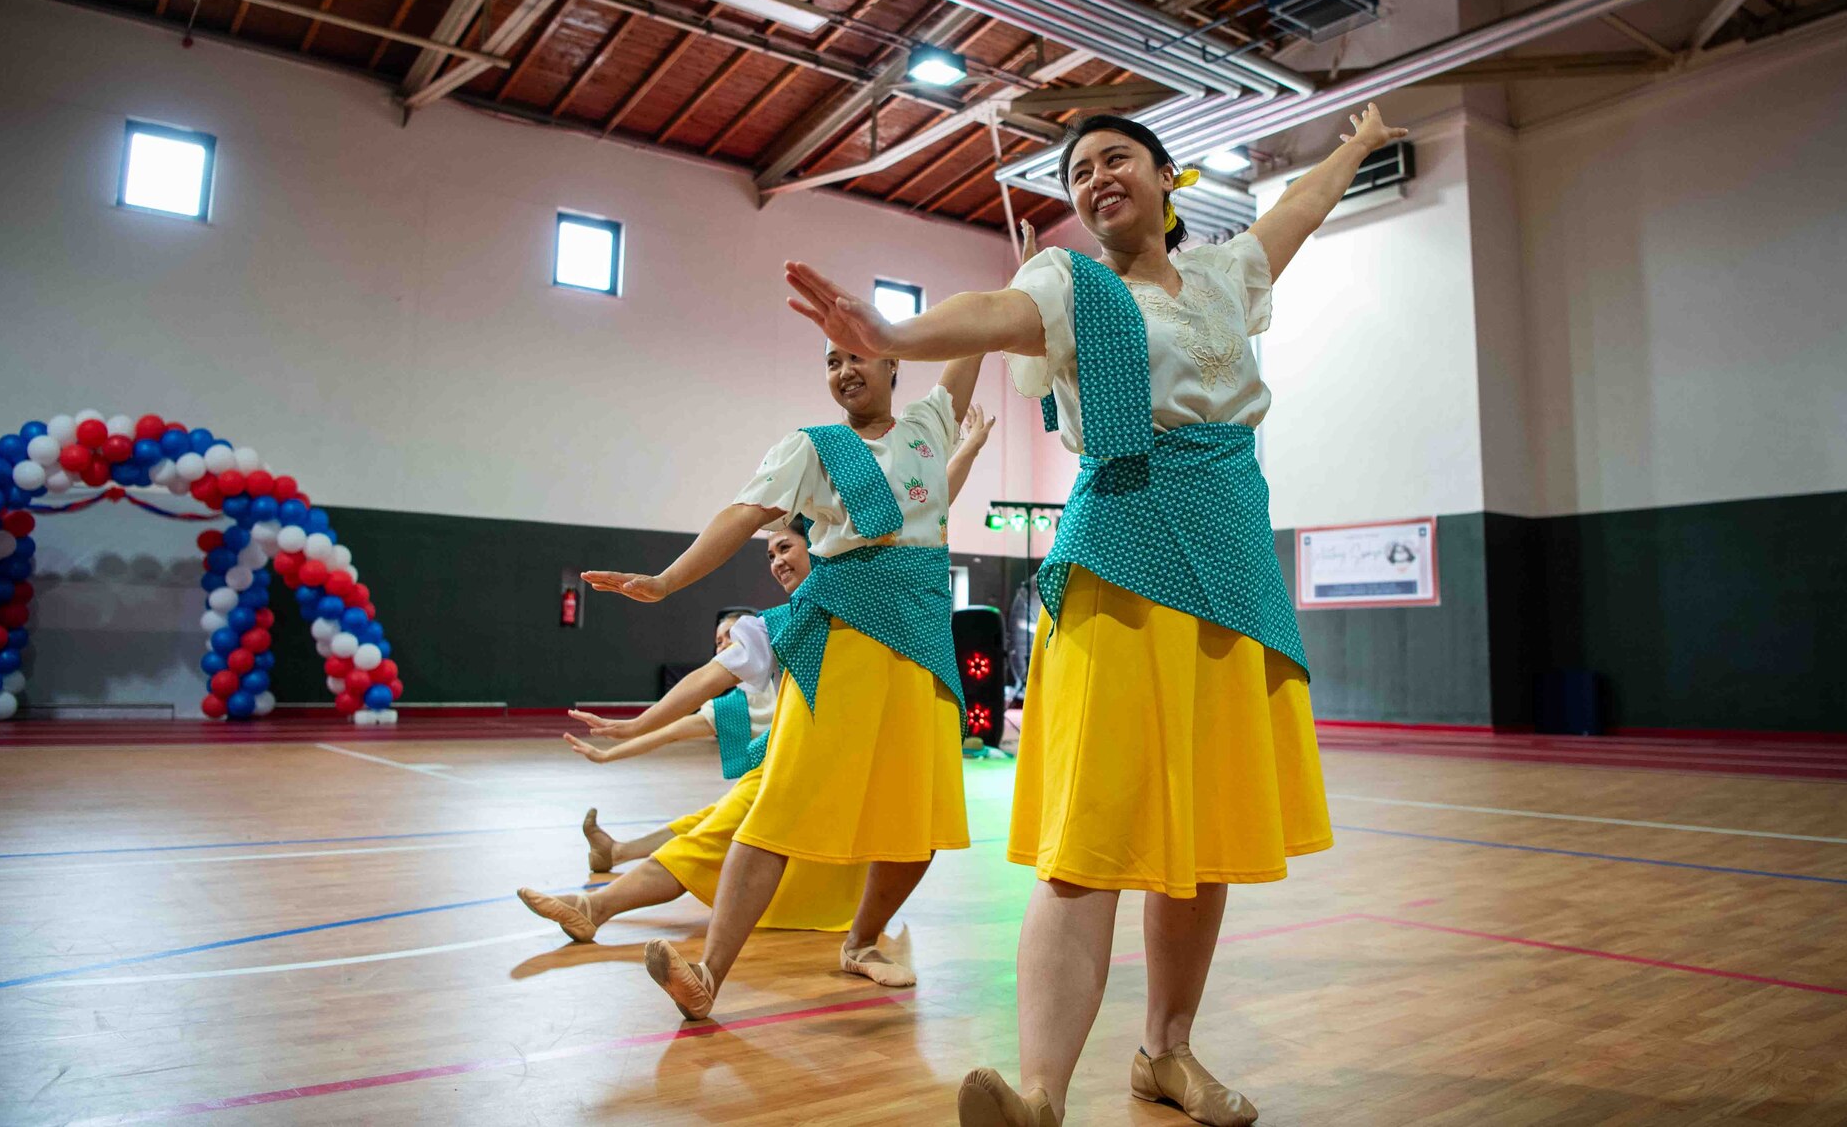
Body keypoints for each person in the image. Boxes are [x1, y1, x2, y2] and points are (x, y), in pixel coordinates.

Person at [782, 105, 1409, 1127]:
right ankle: (1040, 1093)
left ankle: (1165, 1052)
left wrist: (1354, 141)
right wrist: (891, 333)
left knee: (1200, 836)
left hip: (1233, 561)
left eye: (1114, 158)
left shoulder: (1225, 275)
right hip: (1121, 557)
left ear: (1168, 180)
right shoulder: (1067, 288)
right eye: (1077, 170)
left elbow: (1297, 208)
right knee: (1091, 841)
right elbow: (990, 309)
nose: (1093, 177)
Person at [582, 348, 987, 1017]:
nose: (844, 369)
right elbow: (740, 514)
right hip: (843, 646)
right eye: (831, 360)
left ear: (893, 361)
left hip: (924, 649)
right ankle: (708, 974)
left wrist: (1017, 285)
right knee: (774, 815)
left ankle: (860, 942)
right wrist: (666, 580)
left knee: (921, 825)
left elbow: (972, 348)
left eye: (858, 354)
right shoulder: (813, 447)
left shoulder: (927, 426)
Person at [516, 406, 1000, 941]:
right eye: (769, 554)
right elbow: (708, 682)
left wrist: (969, 447)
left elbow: (927, 508)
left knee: (714, 831)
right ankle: (600, 906)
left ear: (820, 545)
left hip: (851, 766)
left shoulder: (869, 599)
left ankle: (608, 897)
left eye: (786, 547)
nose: (777, 561)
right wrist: (635, 726)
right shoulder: (776, 623)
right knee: (710, 832)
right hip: (794, 767)